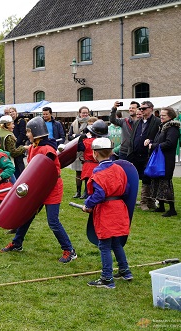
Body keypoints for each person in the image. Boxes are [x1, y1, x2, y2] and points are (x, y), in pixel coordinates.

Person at [0, 117, 77, 264]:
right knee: (27, 214)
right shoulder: (34, 147)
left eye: (28, 131)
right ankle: (17, 243)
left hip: (51, 187)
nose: (27, 134)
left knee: (53, 221)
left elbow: (50, 171)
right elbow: (32, 170)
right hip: (37, 187)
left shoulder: (47, 149)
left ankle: (70, 250)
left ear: (36, 132)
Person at [82, 137, 132, 289]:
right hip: (119, 207)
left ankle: (107, 278)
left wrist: (87, 204)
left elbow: (99, 194)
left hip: (107, 211)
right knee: (116, 242)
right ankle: (125, 271)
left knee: (104, 245)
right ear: (111, 153)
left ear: (95, 154)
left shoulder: (98, 172)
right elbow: (128, 189)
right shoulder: (119, 168)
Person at [146, 107, 180, 217]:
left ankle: (172, 209)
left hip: (166, 161)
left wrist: (154, 146)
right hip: (160, 159)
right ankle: (161, 206)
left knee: (166, 184)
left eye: (163, 115)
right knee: (157, 182)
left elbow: (170, 143)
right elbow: (159, 141)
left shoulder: (172, 128)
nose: (161, 117)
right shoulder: (163, 127)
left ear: (170, 116)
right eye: (160, 115)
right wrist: (150, 142)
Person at [127, 101, 160, 211]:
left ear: (151, 108)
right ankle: (131, 200)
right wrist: (130, 156)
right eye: (140, 108)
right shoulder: (137, 122)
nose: (141, 110)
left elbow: (159, 137)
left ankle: (146, 202)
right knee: (132, 178)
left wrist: (151, 141)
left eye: (144, 108)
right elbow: (132, 139)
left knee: (148, 178)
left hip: (148, 155)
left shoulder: (157, 122)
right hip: (135, 155)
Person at [77, 117, 106, 199]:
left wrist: (80, 137)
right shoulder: (104, 141)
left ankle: (87, 194)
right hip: (98, 164)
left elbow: (80, 147)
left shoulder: (86, 141)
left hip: (89, 164)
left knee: (88, 182)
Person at [68, 106, 91, 198]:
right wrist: (81, 136)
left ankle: (86, 192)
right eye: (83, 113)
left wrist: (76, 135)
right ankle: (78, 192)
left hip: (86, 150)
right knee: (78, 172)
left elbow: (88, 136)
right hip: (77, 150)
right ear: (79, 113)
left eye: (86, 112)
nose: (85, 114)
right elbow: (69, 137)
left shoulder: (91, 123)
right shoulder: (74, 123)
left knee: (86, 172)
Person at [9, 107, 28, 178]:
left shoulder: (21, 121)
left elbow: (22, 133)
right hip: (13, 145)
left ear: (16, 112)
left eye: (13, 111)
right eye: (10, 112)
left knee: (19, 162)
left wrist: (16, 142)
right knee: (14, 163)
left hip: (18, 144)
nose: (11, 113)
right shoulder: (11, 121)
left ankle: (23, 177)